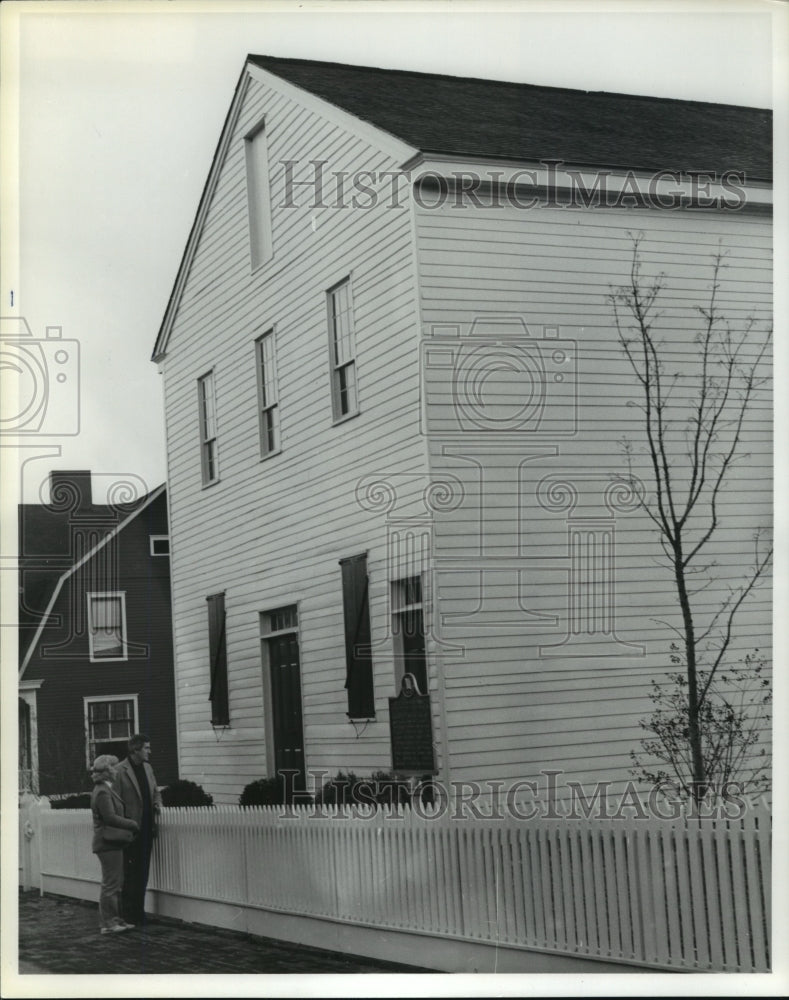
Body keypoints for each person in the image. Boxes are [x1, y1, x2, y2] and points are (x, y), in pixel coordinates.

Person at [112, 734, 162, 927]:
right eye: (146, 748)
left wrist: (157, 804)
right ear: (135, 750)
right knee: (129, 873)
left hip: (147, 829)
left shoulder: (148, 768)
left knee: (142, 873)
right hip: (129, 831)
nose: (150, 751)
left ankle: (139, 913)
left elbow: (156, 791)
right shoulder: (119, 771)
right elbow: (115, 802)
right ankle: (127, 914)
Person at [90, 754, 139, 935]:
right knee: (111, 884)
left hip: (111, 842)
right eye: (114, 766)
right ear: (109, 770)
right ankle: (108, 923)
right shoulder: (103, 791)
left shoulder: (105, 788)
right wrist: (132, 823)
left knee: (115, 883)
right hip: (107, 842)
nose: (117, 769)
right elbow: (109, 817)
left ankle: (115, 920)